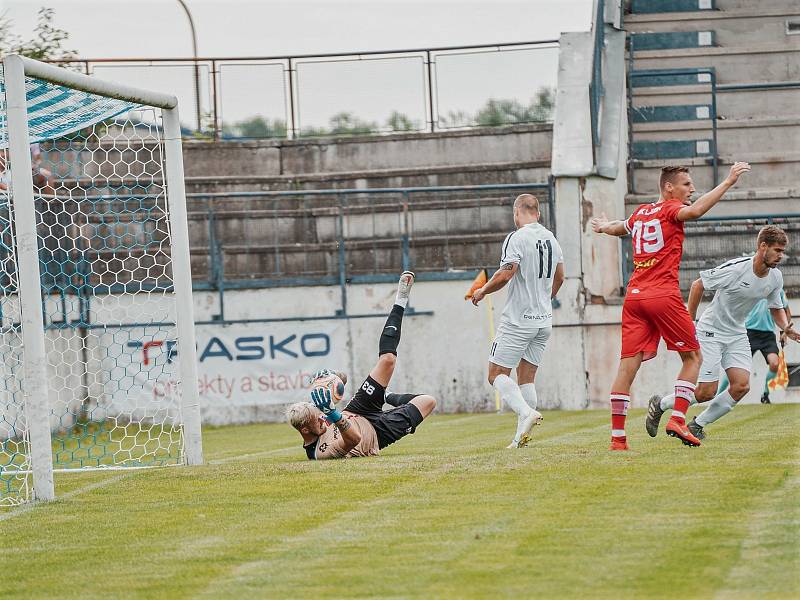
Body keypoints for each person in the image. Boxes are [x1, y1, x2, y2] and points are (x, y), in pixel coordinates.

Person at [591, 162, 751, 450]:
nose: (692, 189)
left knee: (627, 368)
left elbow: (619, 228)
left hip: (635, 297)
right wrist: (727, 182)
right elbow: (697, 211)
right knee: (693, 359)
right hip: (662, 295)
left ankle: (617, 439)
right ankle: (677, 417)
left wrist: (603, 227)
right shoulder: (668, 210)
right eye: (686, 184)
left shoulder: (641, 212)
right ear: (668, 187)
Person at [646, 226, 798, 440]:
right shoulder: (736, 269)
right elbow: (698, 285)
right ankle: (661, 404)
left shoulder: (776, 277)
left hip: (737, 334)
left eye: (783, 251)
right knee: (706, 392)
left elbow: (775, 306)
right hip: (711, 332)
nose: (781, 256)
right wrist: (689, 322)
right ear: (762, 246)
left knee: (741, 386)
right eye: (777, 250)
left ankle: (697, 424)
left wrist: (785, 327)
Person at [286, 271, 436, 460]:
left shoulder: (319, 419)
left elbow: (342, 382)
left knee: (388, 360)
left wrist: (333, 378)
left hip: (357, 410)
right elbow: (353, 439)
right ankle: (386, 395)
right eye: (319, 418)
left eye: (321, 414)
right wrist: (332, 413)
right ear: (305, 429)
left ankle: (400, 299)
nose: (322, 418)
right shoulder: (320, 453)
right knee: (428, 401)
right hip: (378, 433)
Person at [470, 193, 564, 448]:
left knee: (496, 374)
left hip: (518, 320)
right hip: (543, 320)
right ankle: (520, 437)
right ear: (538, 213)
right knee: (526, 377)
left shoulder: (517, 237)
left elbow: (506, 273)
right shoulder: (551, 238)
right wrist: (546, 298)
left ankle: (526, 413)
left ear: (516, 213)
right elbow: (560, 276)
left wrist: (483, 291)